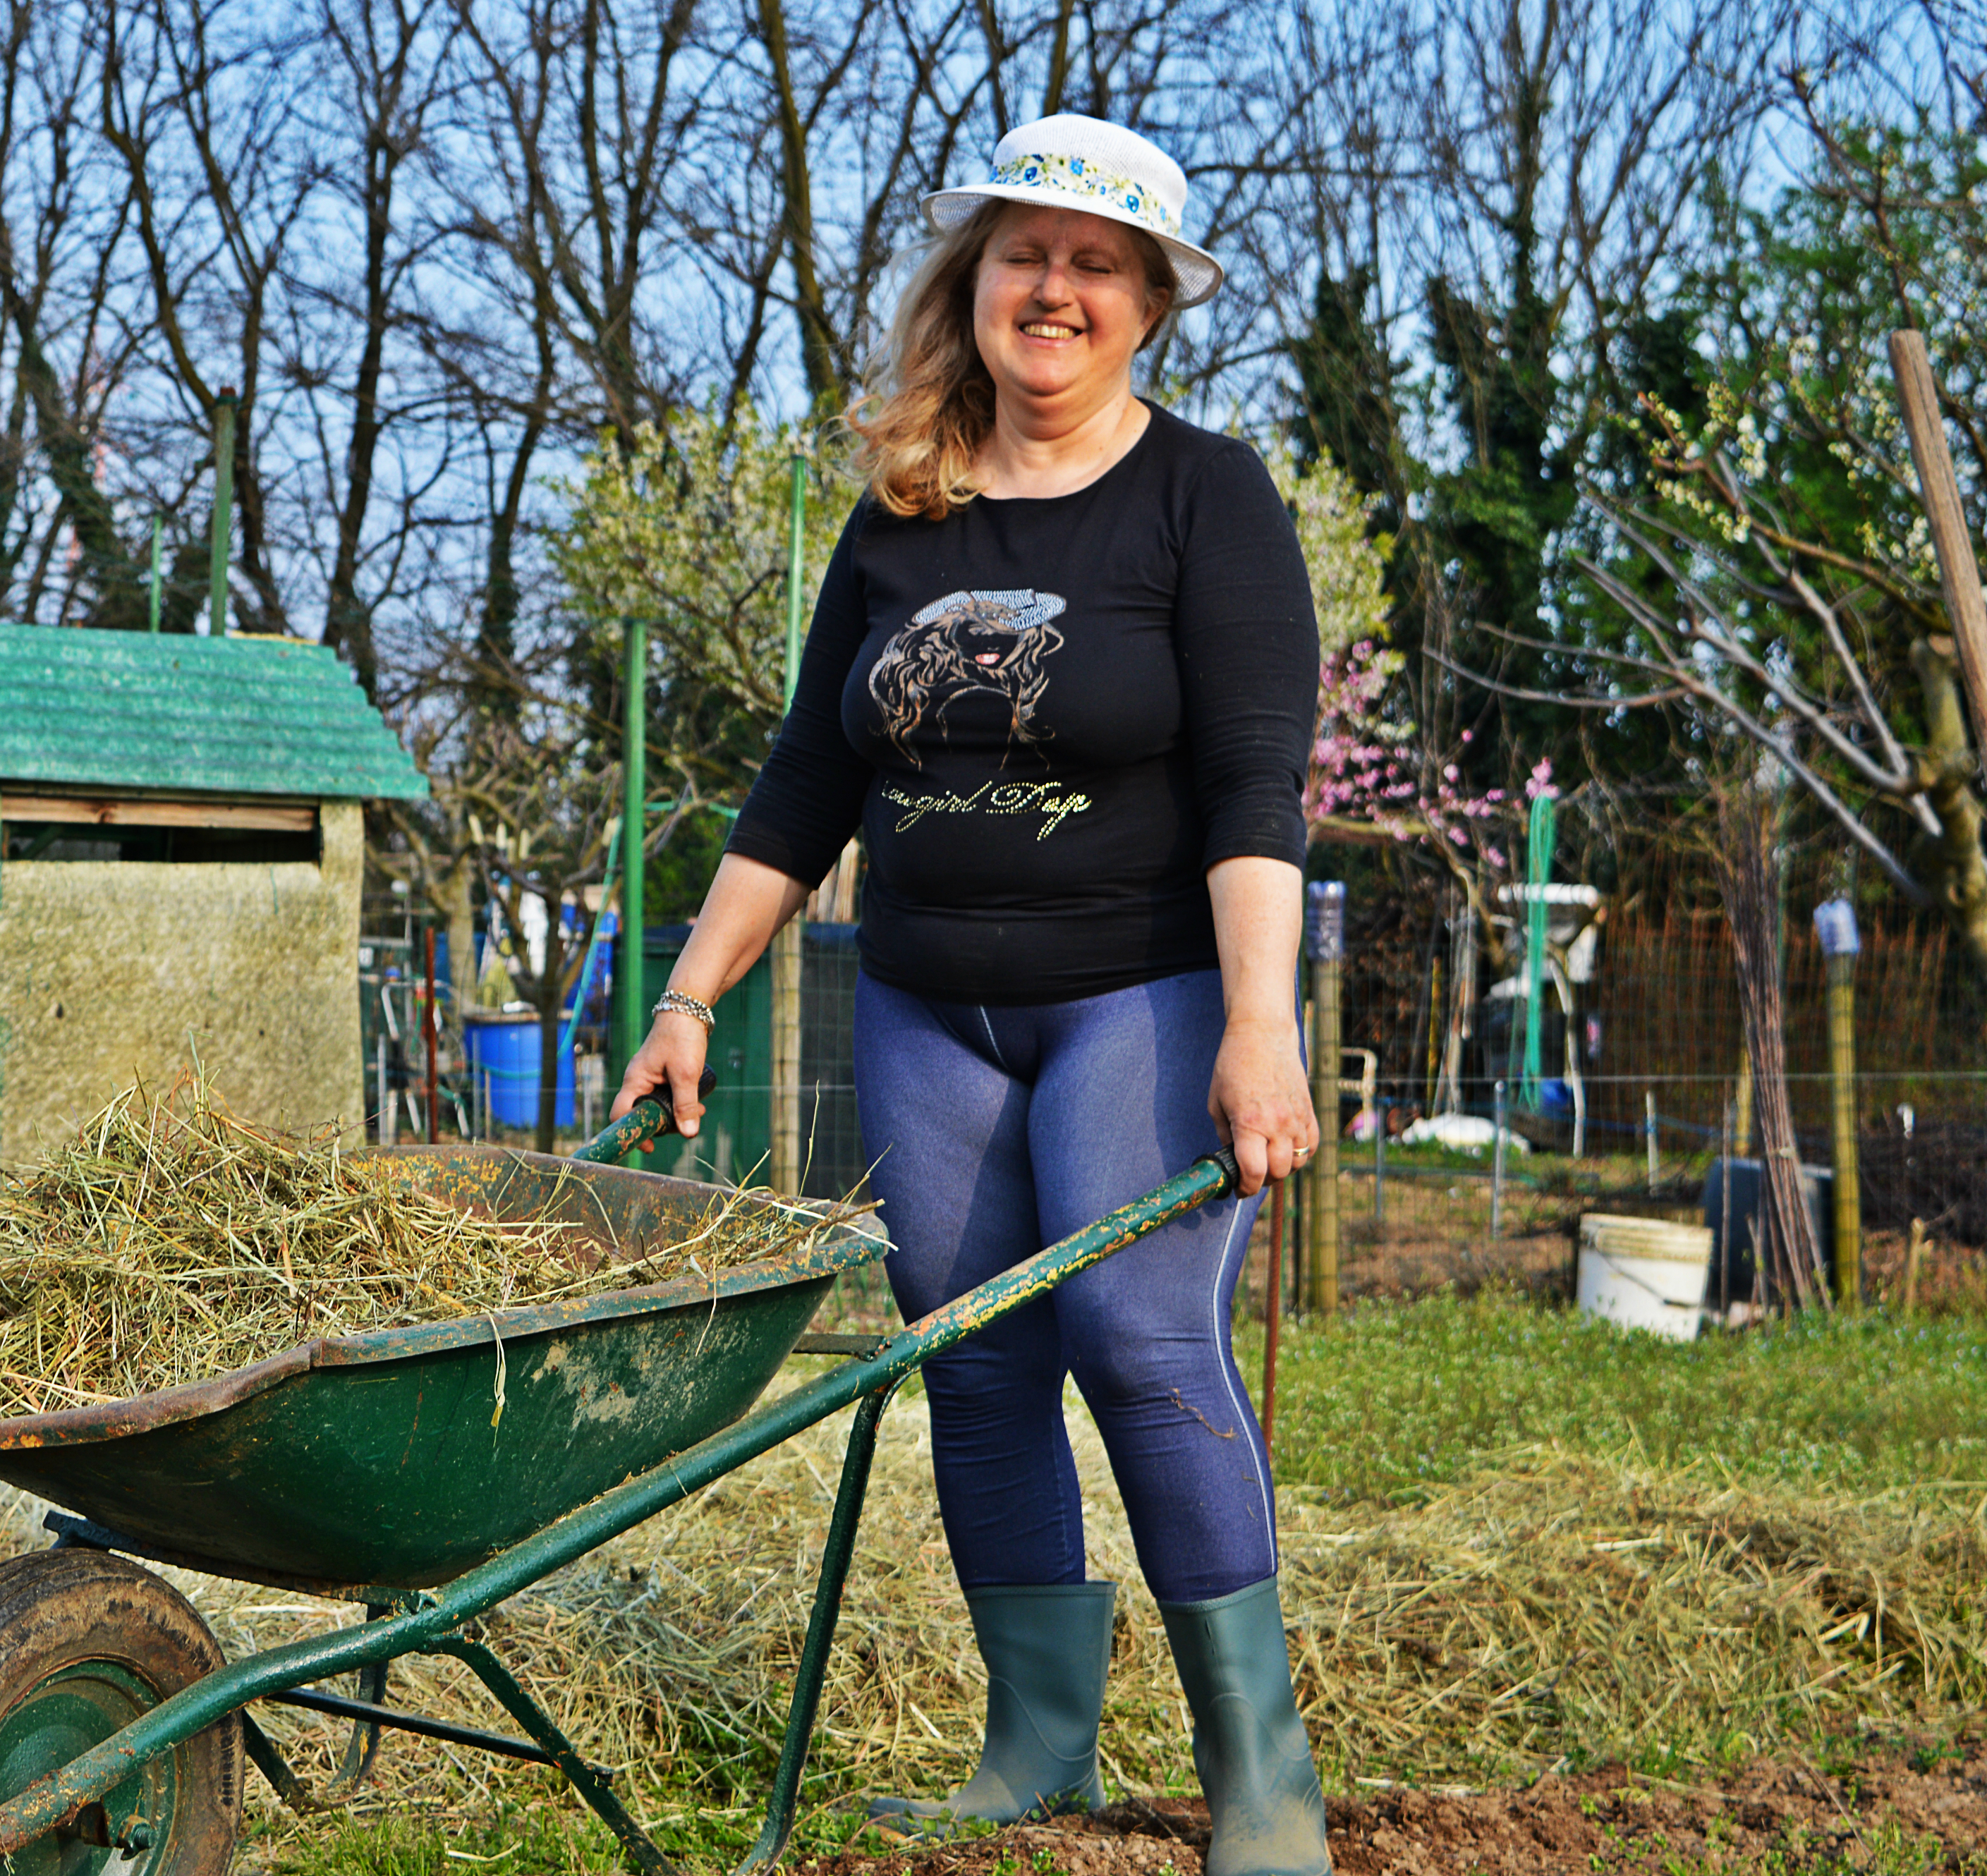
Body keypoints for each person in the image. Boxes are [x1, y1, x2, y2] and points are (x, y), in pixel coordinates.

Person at [615, 114, 1330, 1875]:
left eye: (1097, 264)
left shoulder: (1203, 498)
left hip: (1137, 993)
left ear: (1149, 301)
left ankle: (1262, 1781)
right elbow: (802, 784)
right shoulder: (899, 516)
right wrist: (692, 989)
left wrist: (1261, 1025)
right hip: (926, 1003)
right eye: (1025, 253)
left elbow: (1253, 783)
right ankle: (1035, 1748)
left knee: (1139, 1342)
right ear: (971, 278)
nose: (1055, 289)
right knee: (973, 1362)